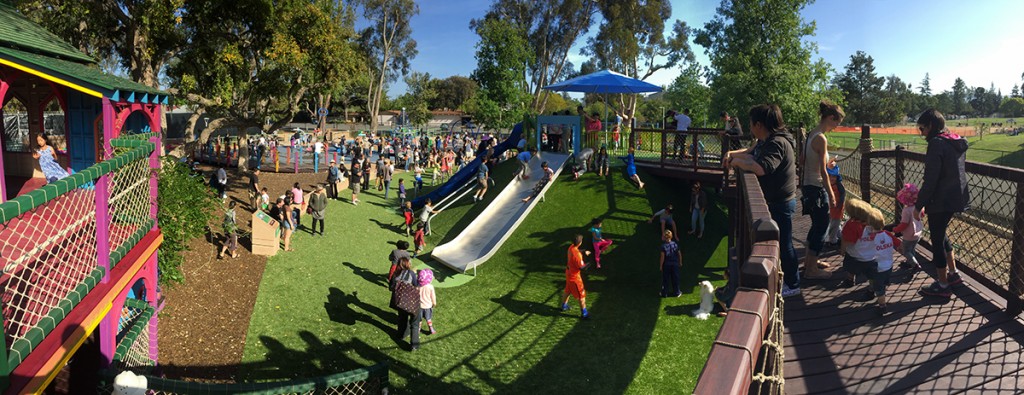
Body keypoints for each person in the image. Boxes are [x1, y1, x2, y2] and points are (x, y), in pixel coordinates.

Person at [725, 104, 800, 297]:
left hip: (780, 203)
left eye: (750, 123)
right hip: (774, 201)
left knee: (784, 244)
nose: (749, 127)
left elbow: (761, 167)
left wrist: (736, 162)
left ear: (758, 124)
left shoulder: (777, 143)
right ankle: (786, 279)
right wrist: (732, 155)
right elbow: (750, 152)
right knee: (779, 243)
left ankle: (793, 283)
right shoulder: (765, 140)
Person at [916, 109, 970, 298]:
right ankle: (953, 274)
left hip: (940, 199)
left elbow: (930, 180)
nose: (921, 133)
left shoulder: (936, 144)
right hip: (956, 196)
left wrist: (918, 205)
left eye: (922, 129)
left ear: (931, 126)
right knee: (941, 233)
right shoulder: (952, 141)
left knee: (937, 241)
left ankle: (942, 284)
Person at [799, 101, 843, 280]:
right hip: (817, 189)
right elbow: (823, 172)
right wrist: (831, 194)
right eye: (837, 123)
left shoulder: (811, 134)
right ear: (831, 118)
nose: (836, 127)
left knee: (816, 226)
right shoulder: (821, 138)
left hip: (808, 187)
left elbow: (803, 160)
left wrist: (826, 162)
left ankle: (810, 262)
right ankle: (811, 271)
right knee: (822, 227)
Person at [840, 198, 898, 316]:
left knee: (851, 267)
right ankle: (872, 289)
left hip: (855, 255)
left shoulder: (851, 225)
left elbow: (847, 240)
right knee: (872, 276)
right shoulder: (871, 225)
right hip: (872, 258)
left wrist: (842, 249)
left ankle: (850, 279)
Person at [389, 257, 421, 351]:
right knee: (414, 323)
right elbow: (416, 285)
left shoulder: (395, 274)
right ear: (407, 264)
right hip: (412, 302)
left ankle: (401, 335)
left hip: (400, 302)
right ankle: (414, 345)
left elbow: (391, 287)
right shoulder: (410, 273)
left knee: (402, 319)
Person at [894, 183, 924, 271]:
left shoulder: (906, 211)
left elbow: (904, 224)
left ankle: (915, 265)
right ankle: (909, 262)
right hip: (917, 233)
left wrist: (896, 229)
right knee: (912, 249)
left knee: (905, 251)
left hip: (909, 235)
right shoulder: (918, 207)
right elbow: (922, 214)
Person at [560, 234, 591, 319]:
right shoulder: (577, 255)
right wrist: (590, 263)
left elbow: (577, 251)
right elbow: (582, 268)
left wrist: (584, 251)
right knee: (581, 295)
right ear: (580, 243)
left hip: (568, 273)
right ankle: (584, 314)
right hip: (575, 277)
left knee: (568, 290)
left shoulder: (571, 247)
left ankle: (563, 306)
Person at [824, 159, 846, 249]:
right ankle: (841, 237)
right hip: (830, 207)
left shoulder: (839, 185)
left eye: (834, 177)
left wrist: (840, 205)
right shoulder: (827, 185)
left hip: (837, 207)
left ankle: (833, 241)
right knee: (835, 224)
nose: (832, 178)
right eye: (830, 176)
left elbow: (843, 195)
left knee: (834, 224)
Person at [659, 230, 682, 297]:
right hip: (675, 264)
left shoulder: (663, 246)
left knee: (665, 279)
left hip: (667, 264)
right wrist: (680, 262)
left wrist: (660, 266)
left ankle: (664, 293)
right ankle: (677, 292)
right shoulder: (675, 244)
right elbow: (679, 254)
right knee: (675, 278)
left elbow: (662, 257)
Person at [418, 269, 438, 335]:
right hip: (428, 306)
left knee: (419, 319)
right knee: (428, 318)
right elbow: (433, 297)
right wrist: (434, 303)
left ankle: (418, 329)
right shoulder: (430, 287)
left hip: (419, 306)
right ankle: (431, 328)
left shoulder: (418, 286)